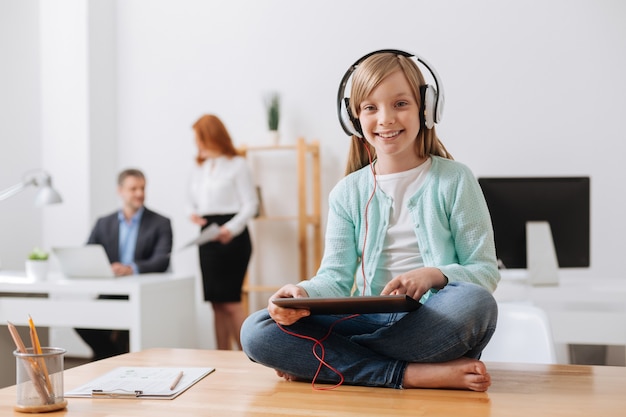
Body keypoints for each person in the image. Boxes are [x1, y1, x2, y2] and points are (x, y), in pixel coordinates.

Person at [240, 50, 500, 391]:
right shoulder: (347, 192)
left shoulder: (455, 180)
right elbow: (334, 278)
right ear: (353, 118)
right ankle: (409, 374)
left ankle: (328, 364)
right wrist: (301, 293)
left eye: (401, 103)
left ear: (426, 108)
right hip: (365, 320)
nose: (386, 119)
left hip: (432, 319)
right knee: (257, 330)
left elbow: (484, 272)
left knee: (476, 304)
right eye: (370, 108)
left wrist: (435, 275)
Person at [75, 168, 173, 360]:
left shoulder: (160, 223)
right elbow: (88, 253)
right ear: (120, 191)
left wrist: (131, 269)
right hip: (111, 291)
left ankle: (109, 359)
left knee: (127, 324)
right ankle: (115, 357)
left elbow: (161, 260)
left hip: (143, 294)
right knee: (81, 318)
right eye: (133, 188)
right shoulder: (104, 223)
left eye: (142, 188)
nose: (140, 194)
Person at [188, 114, 258, 350]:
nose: (197, 144)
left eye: (200, 139)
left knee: (230, 302)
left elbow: (251, 204)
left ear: (212, 137)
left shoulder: (237, 165)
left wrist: (230, 229)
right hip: (207, 236)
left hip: (232, 238)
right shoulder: (201, 167)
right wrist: (193, 213)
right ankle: (222, 357)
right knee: (216, 304)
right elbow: (190, 199)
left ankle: (251, 355)